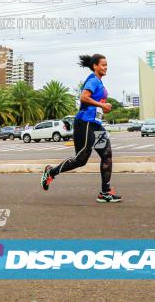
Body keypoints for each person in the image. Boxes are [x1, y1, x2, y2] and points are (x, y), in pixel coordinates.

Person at [40, 54, 121, 203]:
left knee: (107, 154)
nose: (105, 67)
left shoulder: (99, 82)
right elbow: (83, 97)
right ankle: (50, 172)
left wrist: (103, 107)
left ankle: (105, 192)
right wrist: (102, 105)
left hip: (96, 125)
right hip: (85, 123)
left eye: (106, 65)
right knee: (81, 159)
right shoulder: (92, 80)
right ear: (95, 66)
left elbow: (94, 101)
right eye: (103, 65)